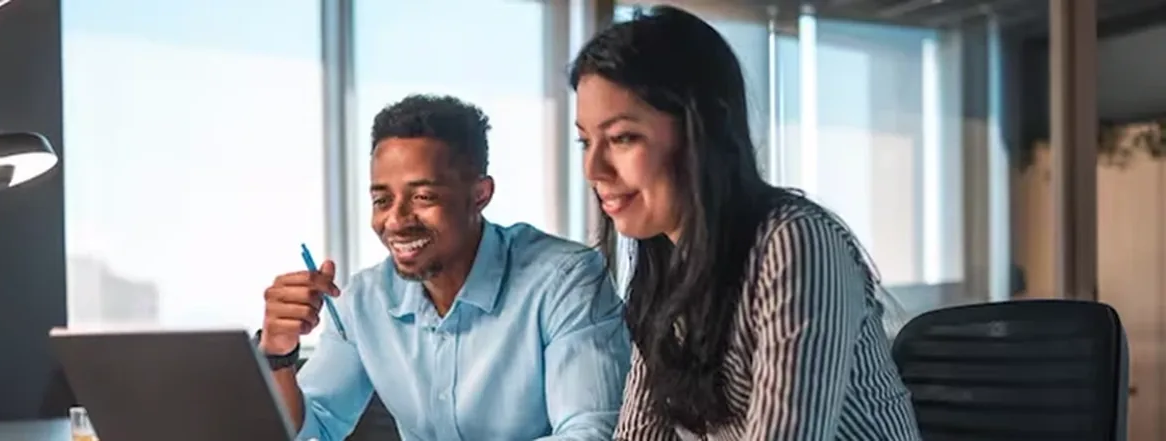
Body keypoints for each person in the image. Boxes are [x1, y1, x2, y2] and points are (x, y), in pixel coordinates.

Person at [571, 6, 921, 441]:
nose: (592, 169)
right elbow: (639, 434)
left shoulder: (795, 243)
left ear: (703, 130)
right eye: (585, 141)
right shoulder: (664, 264)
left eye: (623, 137)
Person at [257, 94, 631, 441]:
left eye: (423, 197)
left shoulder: (566, 281)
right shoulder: (363, 301)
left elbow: (591, 433)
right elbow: (314, 430)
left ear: (480, 195)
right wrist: (278, 354)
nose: (396, 220)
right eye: (382, 199)